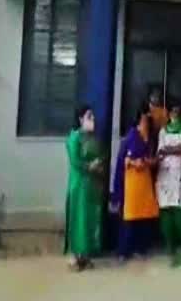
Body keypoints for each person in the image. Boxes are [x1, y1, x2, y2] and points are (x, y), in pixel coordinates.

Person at [112, 105, 160, 260]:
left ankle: (140, 248)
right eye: (145, 119)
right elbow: (124, 160)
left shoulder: (150, 139)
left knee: (144, 217)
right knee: (129, 218)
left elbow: (153, 159)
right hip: (131, 184)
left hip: (144, 184)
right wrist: (134, 163)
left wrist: (148, 162)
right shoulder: (131, 137)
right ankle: (123, 251)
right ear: (140, 120)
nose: (147, 122)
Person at [64, 105, 104, 271]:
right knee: (78, 220)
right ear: (80, 119)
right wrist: (90, 166)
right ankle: (74, 256)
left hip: (92, 185)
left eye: (93, 116)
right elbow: (75, 161)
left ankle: (85, 255)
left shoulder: (93, 138)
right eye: (89, 116)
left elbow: (100, 155)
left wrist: (99, 165)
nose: (92, 119)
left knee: (90, 219)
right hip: (79, 185)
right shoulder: (74, 138)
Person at [156, 101, 181, 256]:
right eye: (171, 110)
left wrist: (169, 149)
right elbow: (160, 151)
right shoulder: (163, 130)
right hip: (164, 174)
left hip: (179, 172)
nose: (173, 113)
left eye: (176, 110)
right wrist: (173, 150)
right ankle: (169, 245)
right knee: (166, 209)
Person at [148, 88, 169, 153]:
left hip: (159, 136)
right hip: (147, 135)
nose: (157, 98)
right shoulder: (146, 109)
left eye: (158, 96)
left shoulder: (164, 111)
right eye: (154, 96)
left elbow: (165, 126)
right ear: (150, 97)